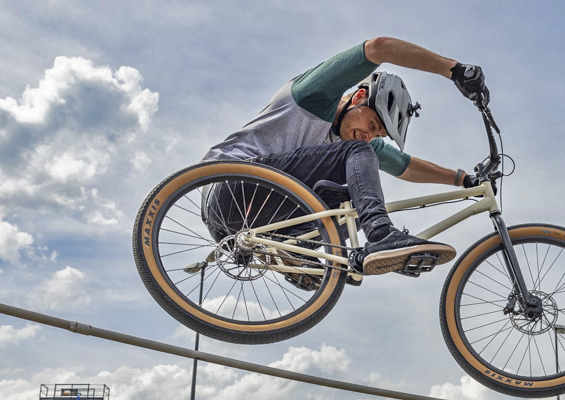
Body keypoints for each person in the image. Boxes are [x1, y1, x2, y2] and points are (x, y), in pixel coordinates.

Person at [202, 38, 489, 278]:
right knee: (358, 160)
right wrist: (453, 70)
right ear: (359, 96)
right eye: (373, 126)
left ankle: (296, 253)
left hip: (245, 224)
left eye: (377, 136)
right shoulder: (316, 96)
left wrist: (464, 179)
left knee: (355, 198)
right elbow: (378, 47)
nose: (369, 137)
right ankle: (382, 237)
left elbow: (405, 166)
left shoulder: (351, 142)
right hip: (231, 183)